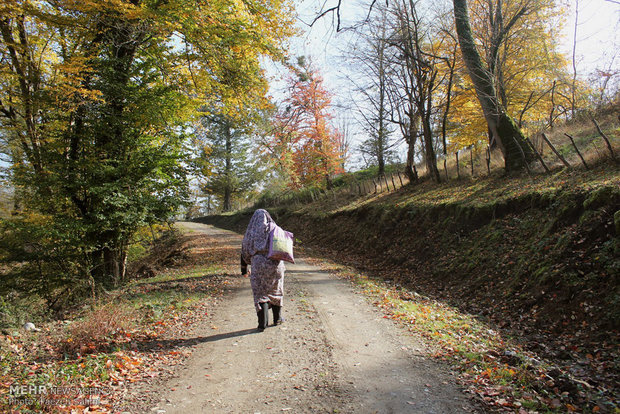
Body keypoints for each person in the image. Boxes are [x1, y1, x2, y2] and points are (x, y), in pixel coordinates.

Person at [241, 209, 285, 332]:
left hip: (258, 264)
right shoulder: (275, 228)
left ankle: (262, 324)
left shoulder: (251, 232)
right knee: (276, 290)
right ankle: (277, 318)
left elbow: (244, 250)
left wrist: (244, 269)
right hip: (275, 263)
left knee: (260, 293)